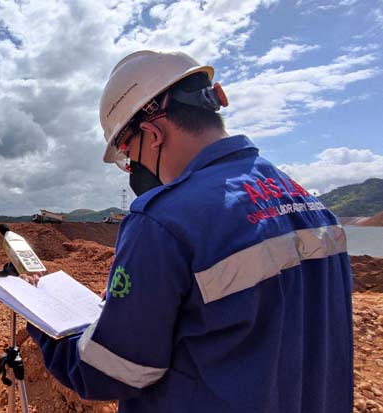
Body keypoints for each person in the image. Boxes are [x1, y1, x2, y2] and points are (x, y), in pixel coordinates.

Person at [23, 50, 353, 412]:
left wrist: (45, 329)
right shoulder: (313, 208)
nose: (132, 168)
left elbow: (109, 372)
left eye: (126, 153)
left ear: (152, 134)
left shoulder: (164, 221)